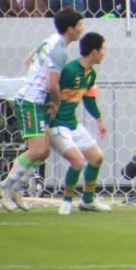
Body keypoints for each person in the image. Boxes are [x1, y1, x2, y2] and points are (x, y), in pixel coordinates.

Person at [0, 8, 85, 211]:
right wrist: (56, 102)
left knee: (43, 151)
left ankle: (17, 188)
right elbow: (54, 86)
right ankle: (5, 187)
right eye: (80, 25)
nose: (82, 29)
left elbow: (29, 60)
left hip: (35, 100)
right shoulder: (60, 51)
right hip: (30, 102)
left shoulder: (50, 40)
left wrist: (35, 80)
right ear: (70, 28)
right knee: (36, 150)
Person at [49, 32, 112, 215]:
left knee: (97, 158)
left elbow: (89, 100)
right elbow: (50, 90)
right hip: (57, 124)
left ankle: (88, 200)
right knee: (78, 161)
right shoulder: (69, 70)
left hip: (72, 124)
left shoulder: (91, 74)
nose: (104, 53)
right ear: (94, 52)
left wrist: (99, 120)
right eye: (102, 49)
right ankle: (67, 201)